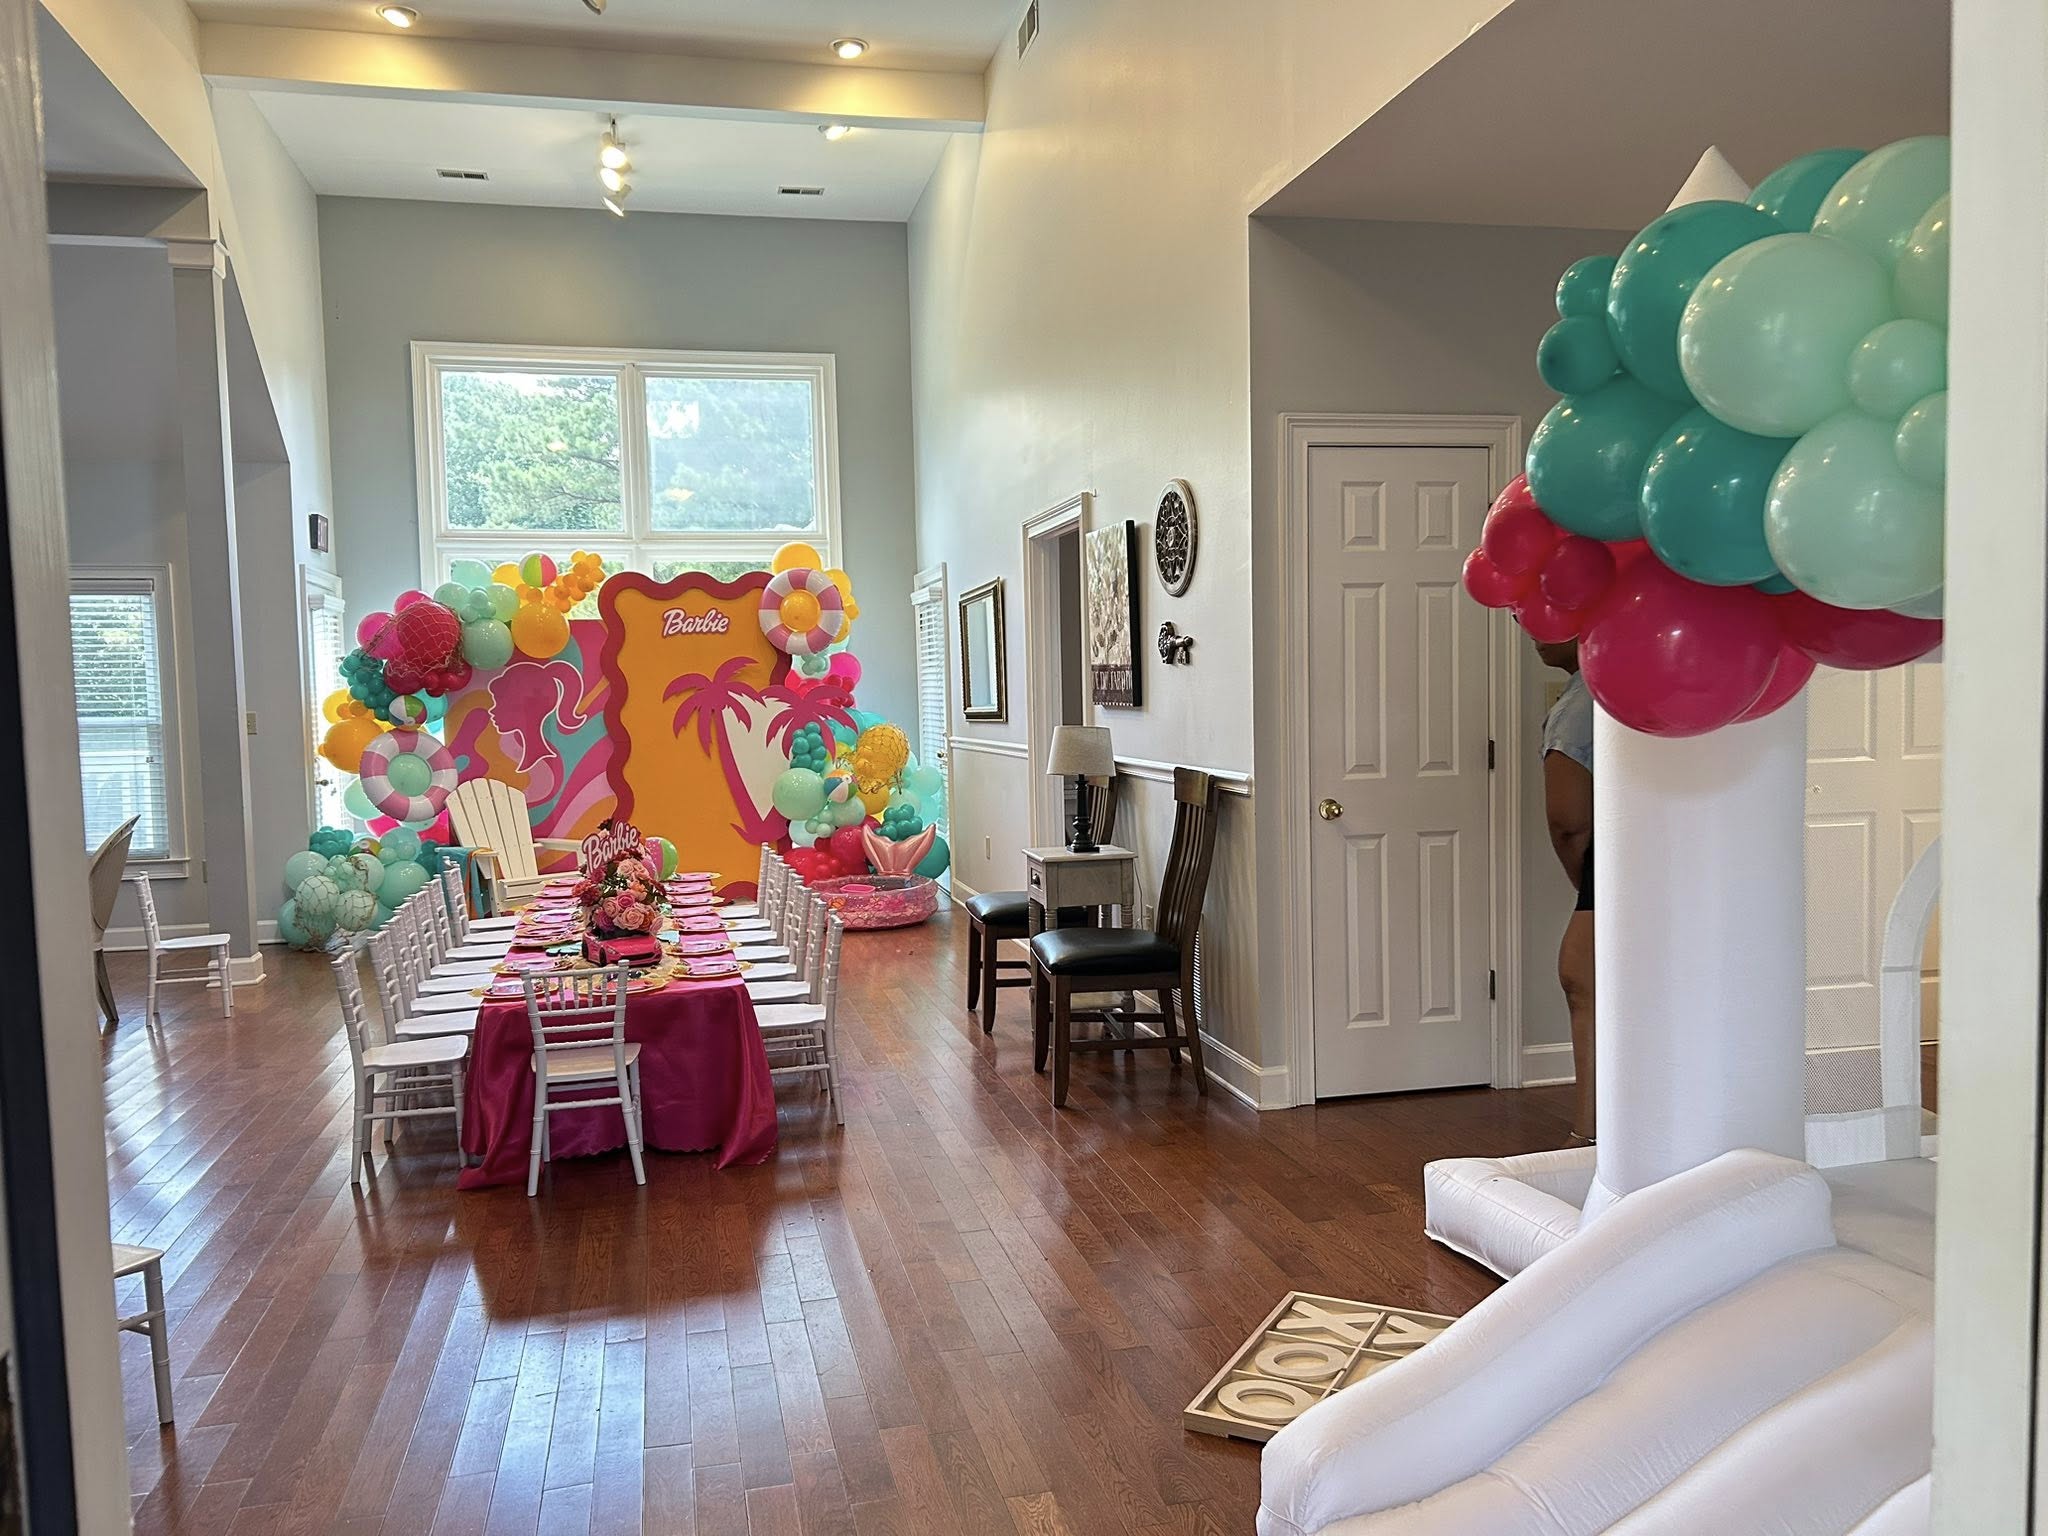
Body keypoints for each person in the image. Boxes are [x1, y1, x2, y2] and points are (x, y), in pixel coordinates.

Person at [1536, 638, 1595, 1146]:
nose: (1527, 624)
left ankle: (1591, 1139)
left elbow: (1569, 822)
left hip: (1613, 859)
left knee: (1583, 978)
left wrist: (1589, 886)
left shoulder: (1581, 704)